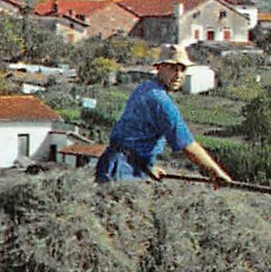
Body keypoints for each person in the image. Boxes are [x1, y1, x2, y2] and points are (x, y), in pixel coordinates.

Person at [95, 43, 234, 186]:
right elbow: (187, 145)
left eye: (182, 69)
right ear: (159, 68)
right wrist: (216, 172)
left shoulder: (145, 88)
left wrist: (148, 167)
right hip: (122, 170)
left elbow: (134, 137)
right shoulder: (160, 101)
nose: (178, 75)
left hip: (123, 164)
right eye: (173, 68)